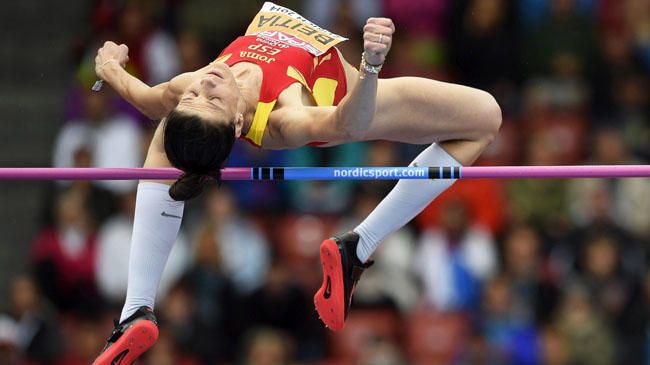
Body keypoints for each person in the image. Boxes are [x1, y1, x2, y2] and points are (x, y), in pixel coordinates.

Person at [90, 2, 501, 364]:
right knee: (486, 118)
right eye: (212, 99)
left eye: (196, 93)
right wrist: (371, 65)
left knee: (175, 123)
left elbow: (147, 98)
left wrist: (109, 67)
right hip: (352, 104)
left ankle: (136, 311)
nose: (206, 84)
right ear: (236, 123)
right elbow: (348, 124)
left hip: (336, 96)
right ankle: (360, 244)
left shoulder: (193, 85)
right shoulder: (285, 116)